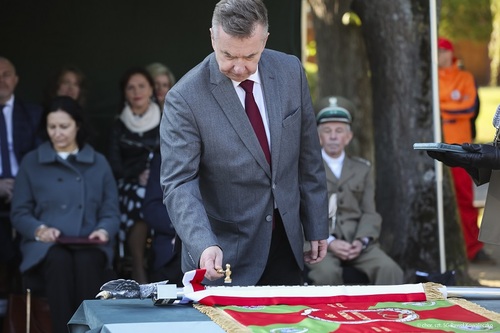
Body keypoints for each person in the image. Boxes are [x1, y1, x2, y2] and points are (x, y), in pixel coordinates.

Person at [160, 0, 329, 286]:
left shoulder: (290, 71)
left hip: (286, 243)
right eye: (228, 55)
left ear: (265, 40)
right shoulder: (184, 98)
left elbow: (308, 155)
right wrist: (203, 244)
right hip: (223, 251)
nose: (239, 67)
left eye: (250, 56)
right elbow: (179, 183)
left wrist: (315, 224)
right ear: (213, 37)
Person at [10, 96, 120, 333]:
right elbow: (19, 212)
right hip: (45, 247)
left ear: (77, 126)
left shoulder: (98, 163)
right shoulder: (31, 162)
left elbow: (111, 211)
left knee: (86, 261)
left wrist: (103, 230)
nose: (57, 133)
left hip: (90, 245)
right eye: (52, 127)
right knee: (59, 260)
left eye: (64, 126)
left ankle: (88, 330)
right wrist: (39, 230)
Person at [306, 97, 404, 285]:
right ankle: (332, 316)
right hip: (319, 243)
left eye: (339, 131)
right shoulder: (306, 168)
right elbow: (300, 213)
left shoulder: (362, 169)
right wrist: (330, 242)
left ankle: (386, 314)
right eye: (327, 131)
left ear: (348, 137)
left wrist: (361, 241)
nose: (333, 136)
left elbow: (370, 212)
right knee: (325, 275)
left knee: (390, 270)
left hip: (356, 243)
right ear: (318, 137)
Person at [437, 37, 492, 264]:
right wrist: (450, 107)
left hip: (461, 147)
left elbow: (468, 107)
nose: (439, 55)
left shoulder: (464, 77)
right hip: (437, 145)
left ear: (450, 53)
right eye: (436, 51)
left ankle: (472, 248)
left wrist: (442, 108)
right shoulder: (430, 79)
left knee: (464, 198)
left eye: (443, 51)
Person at [108, 67, 161, 284]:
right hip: (128, 186)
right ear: (125, 93)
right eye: (131, 88)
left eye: (141, 86)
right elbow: (115, 167)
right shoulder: (118, 125)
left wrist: (155, 175)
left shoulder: (167, 118)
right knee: (139, 197)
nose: (136, 91)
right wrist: (138, 173)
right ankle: (139, 267)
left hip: (161, 184)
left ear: (151, 89)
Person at [0, 56, 42, 296]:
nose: (1, 80)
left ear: (15, 80)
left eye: (6, 74)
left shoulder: (33, 114)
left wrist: (23, 185)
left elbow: (40, 161)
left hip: (28, 194)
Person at [142, 151, 183, 286]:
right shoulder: (163, 159)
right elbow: (151, 209)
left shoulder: (218, 157)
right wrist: (184, 229)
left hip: (214, 247)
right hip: (170, 252)